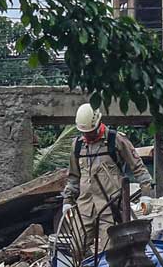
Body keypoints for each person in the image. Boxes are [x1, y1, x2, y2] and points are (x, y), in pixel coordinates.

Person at [62, 103, 153, 252]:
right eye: (84, 133)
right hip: (85, 207)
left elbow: (138, 168)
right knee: (76, 247)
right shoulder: (77, 146)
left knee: (108, 253)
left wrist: (146, 195)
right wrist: (67, 200)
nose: (87, 136)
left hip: (110, 208)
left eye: (91, 132)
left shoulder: (116, 140)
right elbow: (73, 177)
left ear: (98, 124)